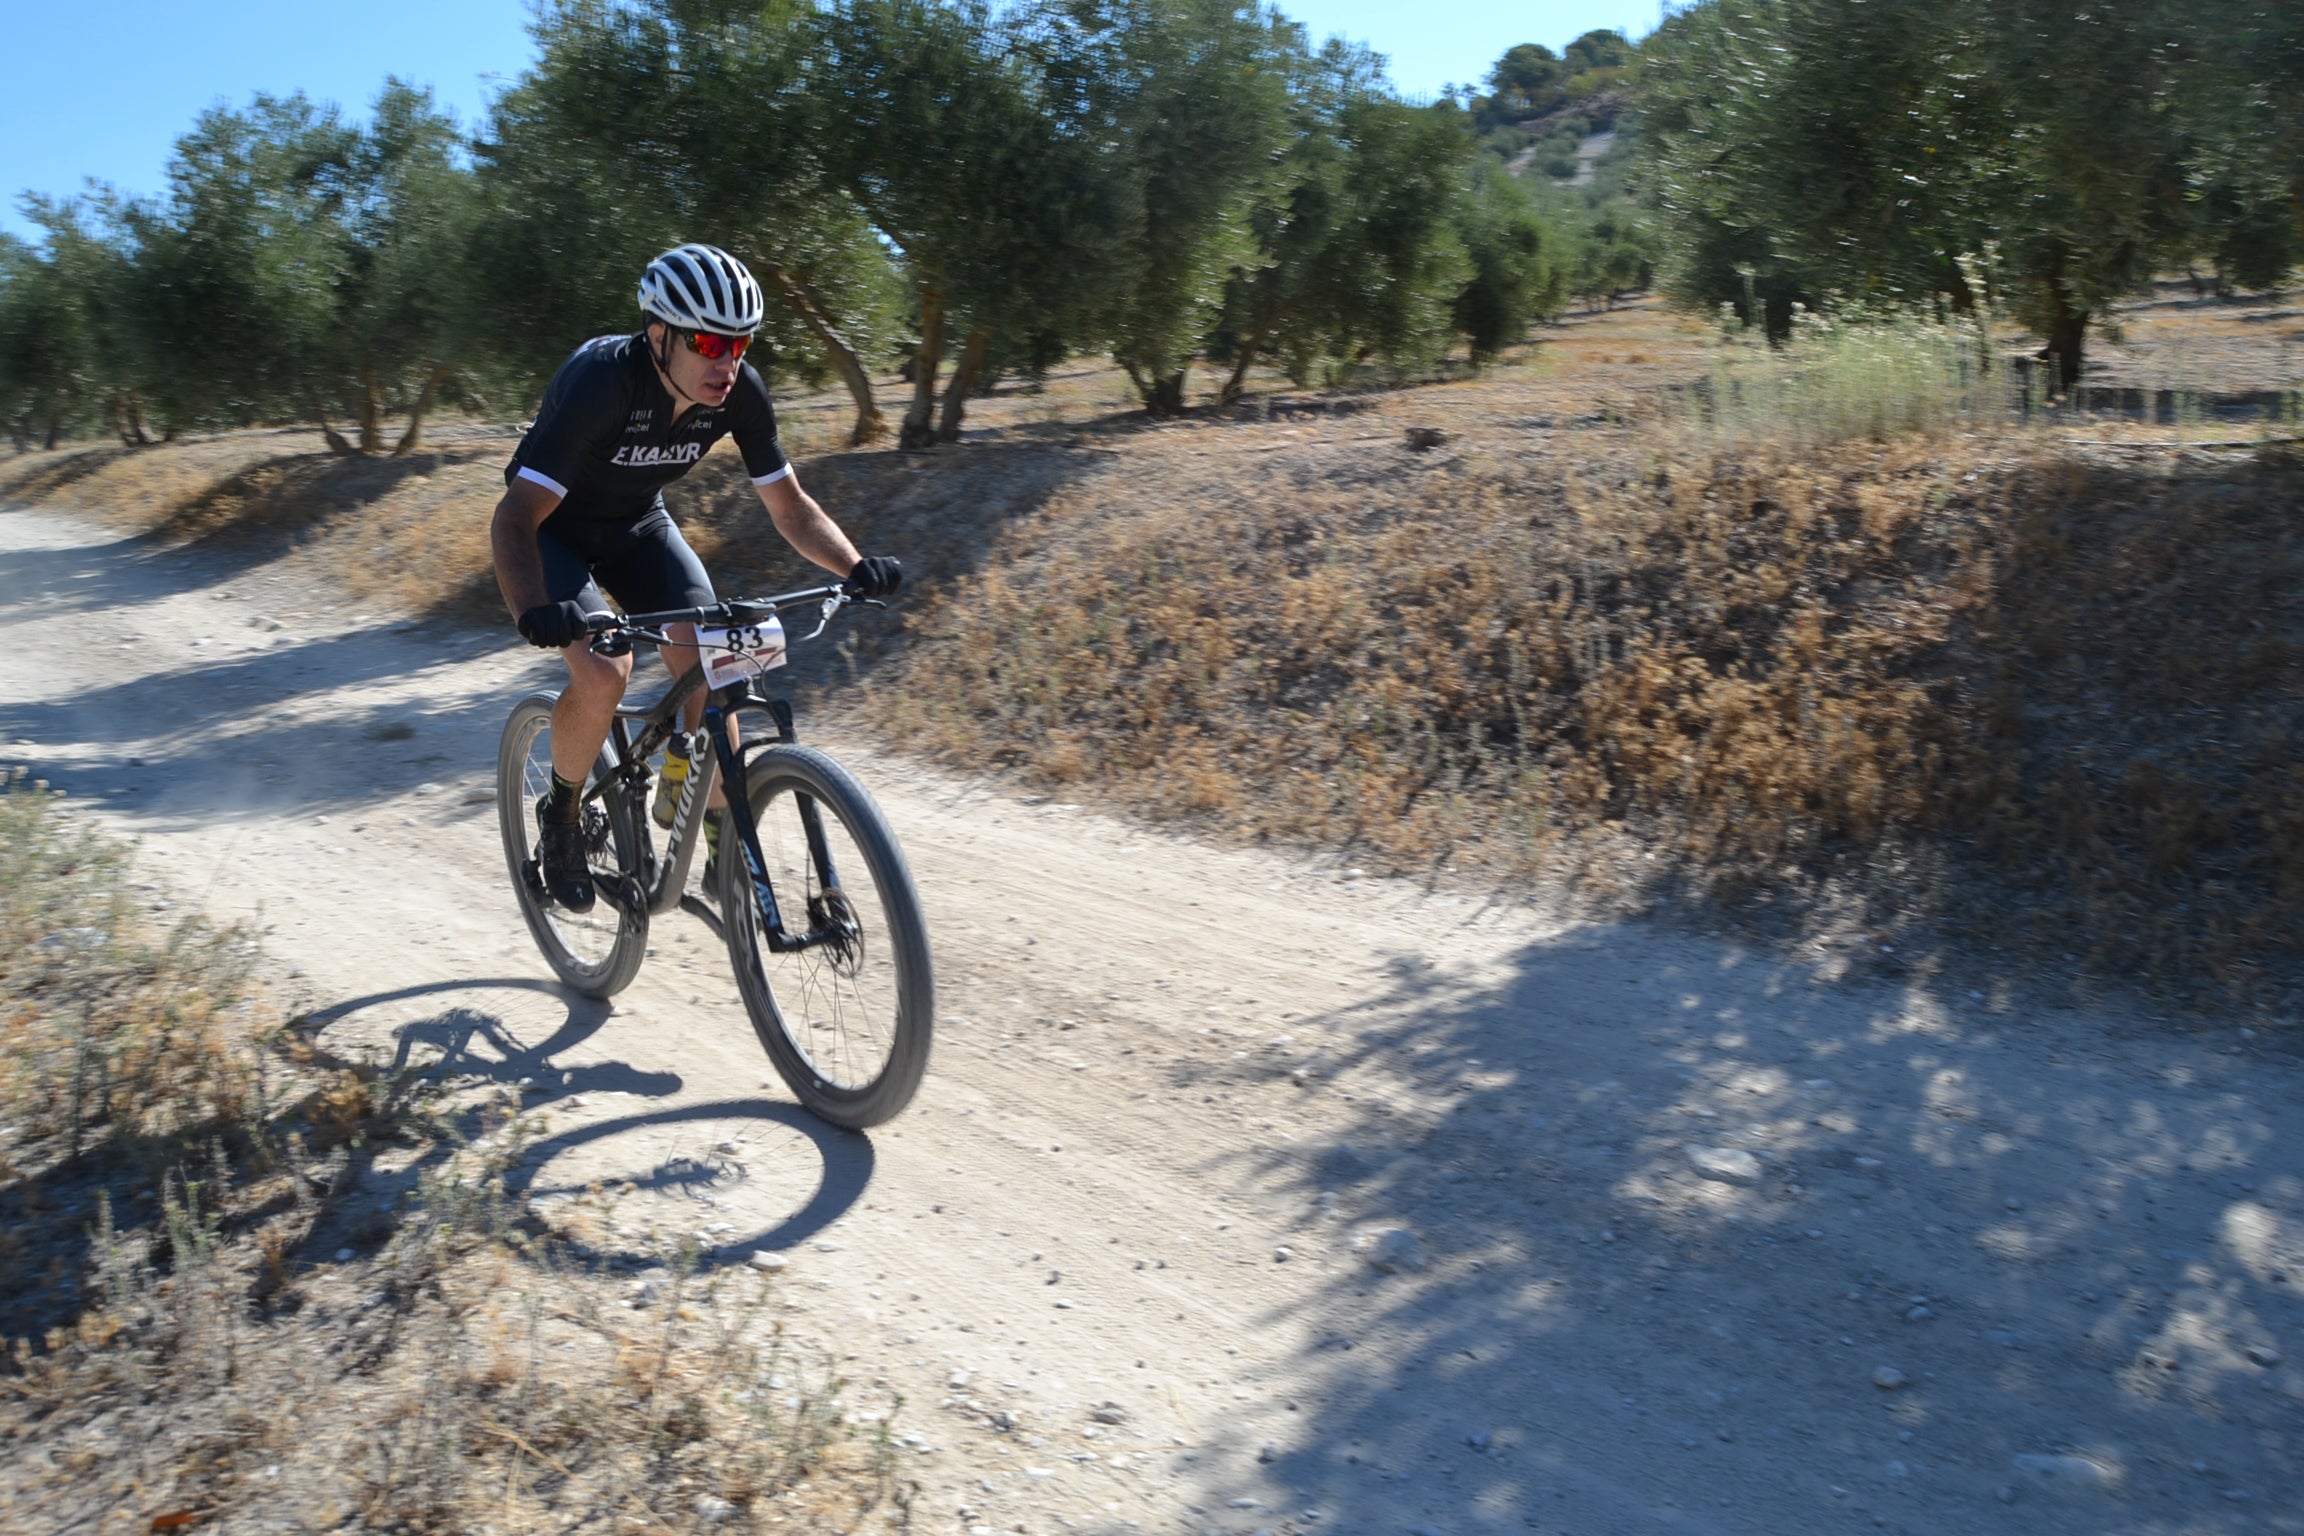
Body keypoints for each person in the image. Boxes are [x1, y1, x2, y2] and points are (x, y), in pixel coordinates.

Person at [491, 243, 901, 912]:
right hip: (552, 529)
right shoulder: (602, 382)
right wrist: (533, 606)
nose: (727, 362)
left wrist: (854, 566)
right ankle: (562, 817)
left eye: (739, 345)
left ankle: (722, 848)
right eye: (709, 342)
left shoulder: (737, 394)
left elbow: (790, 507)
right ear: (659, 335)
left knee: (721, 663)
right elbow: (514, 517)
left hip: (636, 525)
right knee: (604, 670)